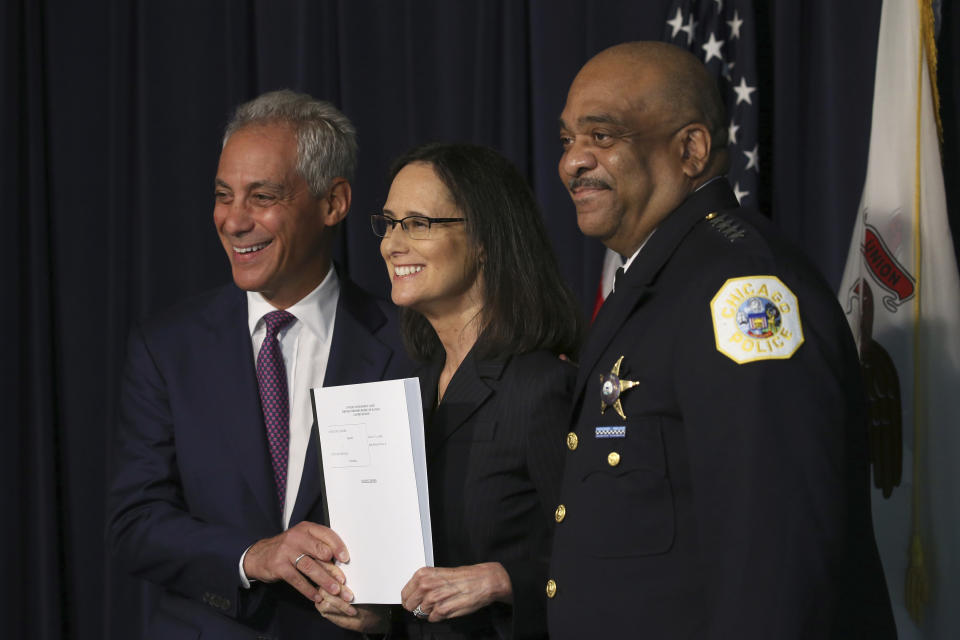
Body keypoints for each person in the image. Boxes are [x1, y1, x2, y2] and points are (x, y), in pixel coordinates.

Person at [546, 42, 897, 638]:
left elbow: (775, 562)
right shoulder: (662, 281)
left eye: (602, 136)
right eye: (566, 140)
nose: (572, 162)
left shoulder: (739, 293)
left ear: (691, 150)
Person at [108, 90, 411, 639]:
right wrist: (253, 556)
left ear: (333, 203)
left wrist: (390, 610)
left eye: (262, 196)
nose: (234, 220)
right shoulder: (166, 347)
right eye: (224, 196)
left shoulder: (408, 342)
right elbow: (135, 523)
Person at [315, 143, 581, 639]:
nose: (392, 244)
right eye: (390, 222)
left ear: (484, 238)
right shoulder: (407, 394)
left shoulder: (542, 388)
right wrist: (380, 612)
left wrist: (505, 581)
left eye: (418, 223)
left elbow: (603, 558)